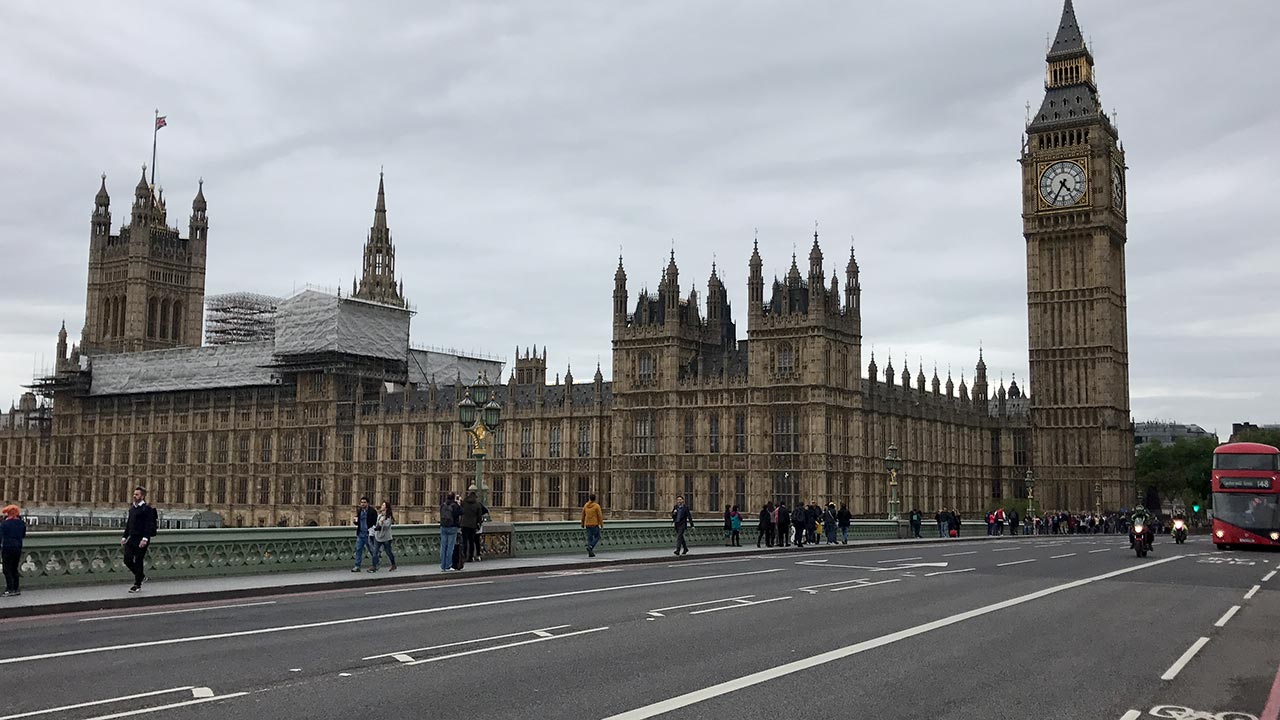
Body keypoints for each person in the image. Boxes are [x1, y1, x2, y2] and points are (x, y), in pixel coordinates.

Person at [121, 486, 157, 592]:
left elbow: (148, 525)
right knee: (127, 559)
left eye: (137, 494)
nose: (134, 496)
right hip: (132, 538)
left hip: (142, 538)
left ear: (142, 496)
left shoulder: (147, 509)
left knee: (138, 560)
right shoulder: (132, 508)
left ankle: (137, 584)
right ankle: (141, 576)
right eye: (134, 494)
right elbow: (129, 524)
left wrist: (145, 539)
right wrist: (124, 536)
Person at [2, 505, 26, 597]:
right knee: (14, 568)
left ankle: (10, 589)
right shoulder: (21, 523)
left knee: (6, 569)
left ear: (8, 514)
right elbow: (23, 535)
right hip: (18, 547)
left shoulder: (5, 524)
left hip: (7, 547)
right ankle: (16, 588)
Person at [351, 496, 377, 572]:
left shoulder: (372, 511)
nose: (362, 504)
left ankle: (375, 564)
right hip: (360, 534)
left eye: (364, 502)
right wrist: (355, 521)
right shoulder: (359, 511)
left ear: (368, 503)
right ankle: (357, 566)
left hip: (368, 534)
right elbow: (358, 522)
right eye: (361, 502)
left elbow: (375, 522)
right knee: (358, 550)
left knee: (372, 550)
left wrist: (372, 531)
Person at [369, 501, 396, 572]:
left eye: (383, 505)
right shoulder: (380, 515)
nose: (381, 506)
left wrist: (382, 522)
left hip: (386, 538)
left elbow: (387, 526)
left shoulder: (389, 517)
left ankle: (393, 564)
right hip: (378, 537)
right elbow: (377, 525)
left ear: (386, 508)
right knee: (375, 552)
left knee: (388, 552)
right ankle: (374, 566)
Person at [459, 490, 485, 562]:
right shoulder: (477, 504)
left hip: (464, 524)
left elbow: (460, 511)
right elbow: (479, 516)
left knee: (464, 541)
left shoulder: (464, 503)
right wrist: (478, 524)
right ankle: (470, 557)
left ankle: (464, 556)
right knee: (471, 542)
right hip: (472, 525)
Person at [439, 492, 460, 572]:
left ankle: (443, 565)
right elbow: (461, 512)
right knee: (450, 547)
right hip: (452, 527)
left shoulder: (443, 505)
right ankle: (448, 566)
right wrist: (458, 503)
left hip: (443, 527)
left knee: (443, 547)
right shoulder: (454, 505)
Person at [582, 493, 604, 557]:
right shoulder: (596, 506)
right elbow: (600, 516)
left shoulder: (586, 505)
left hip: (587, 524)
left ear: (589, 498)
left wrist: (582, 523)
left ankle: (590, 553)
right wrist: (601, 524)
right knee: (597, 536)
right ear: (595, 499)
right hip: (594, 524)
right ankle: (591, 546)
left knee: (590, 538)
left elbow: (583, 515)